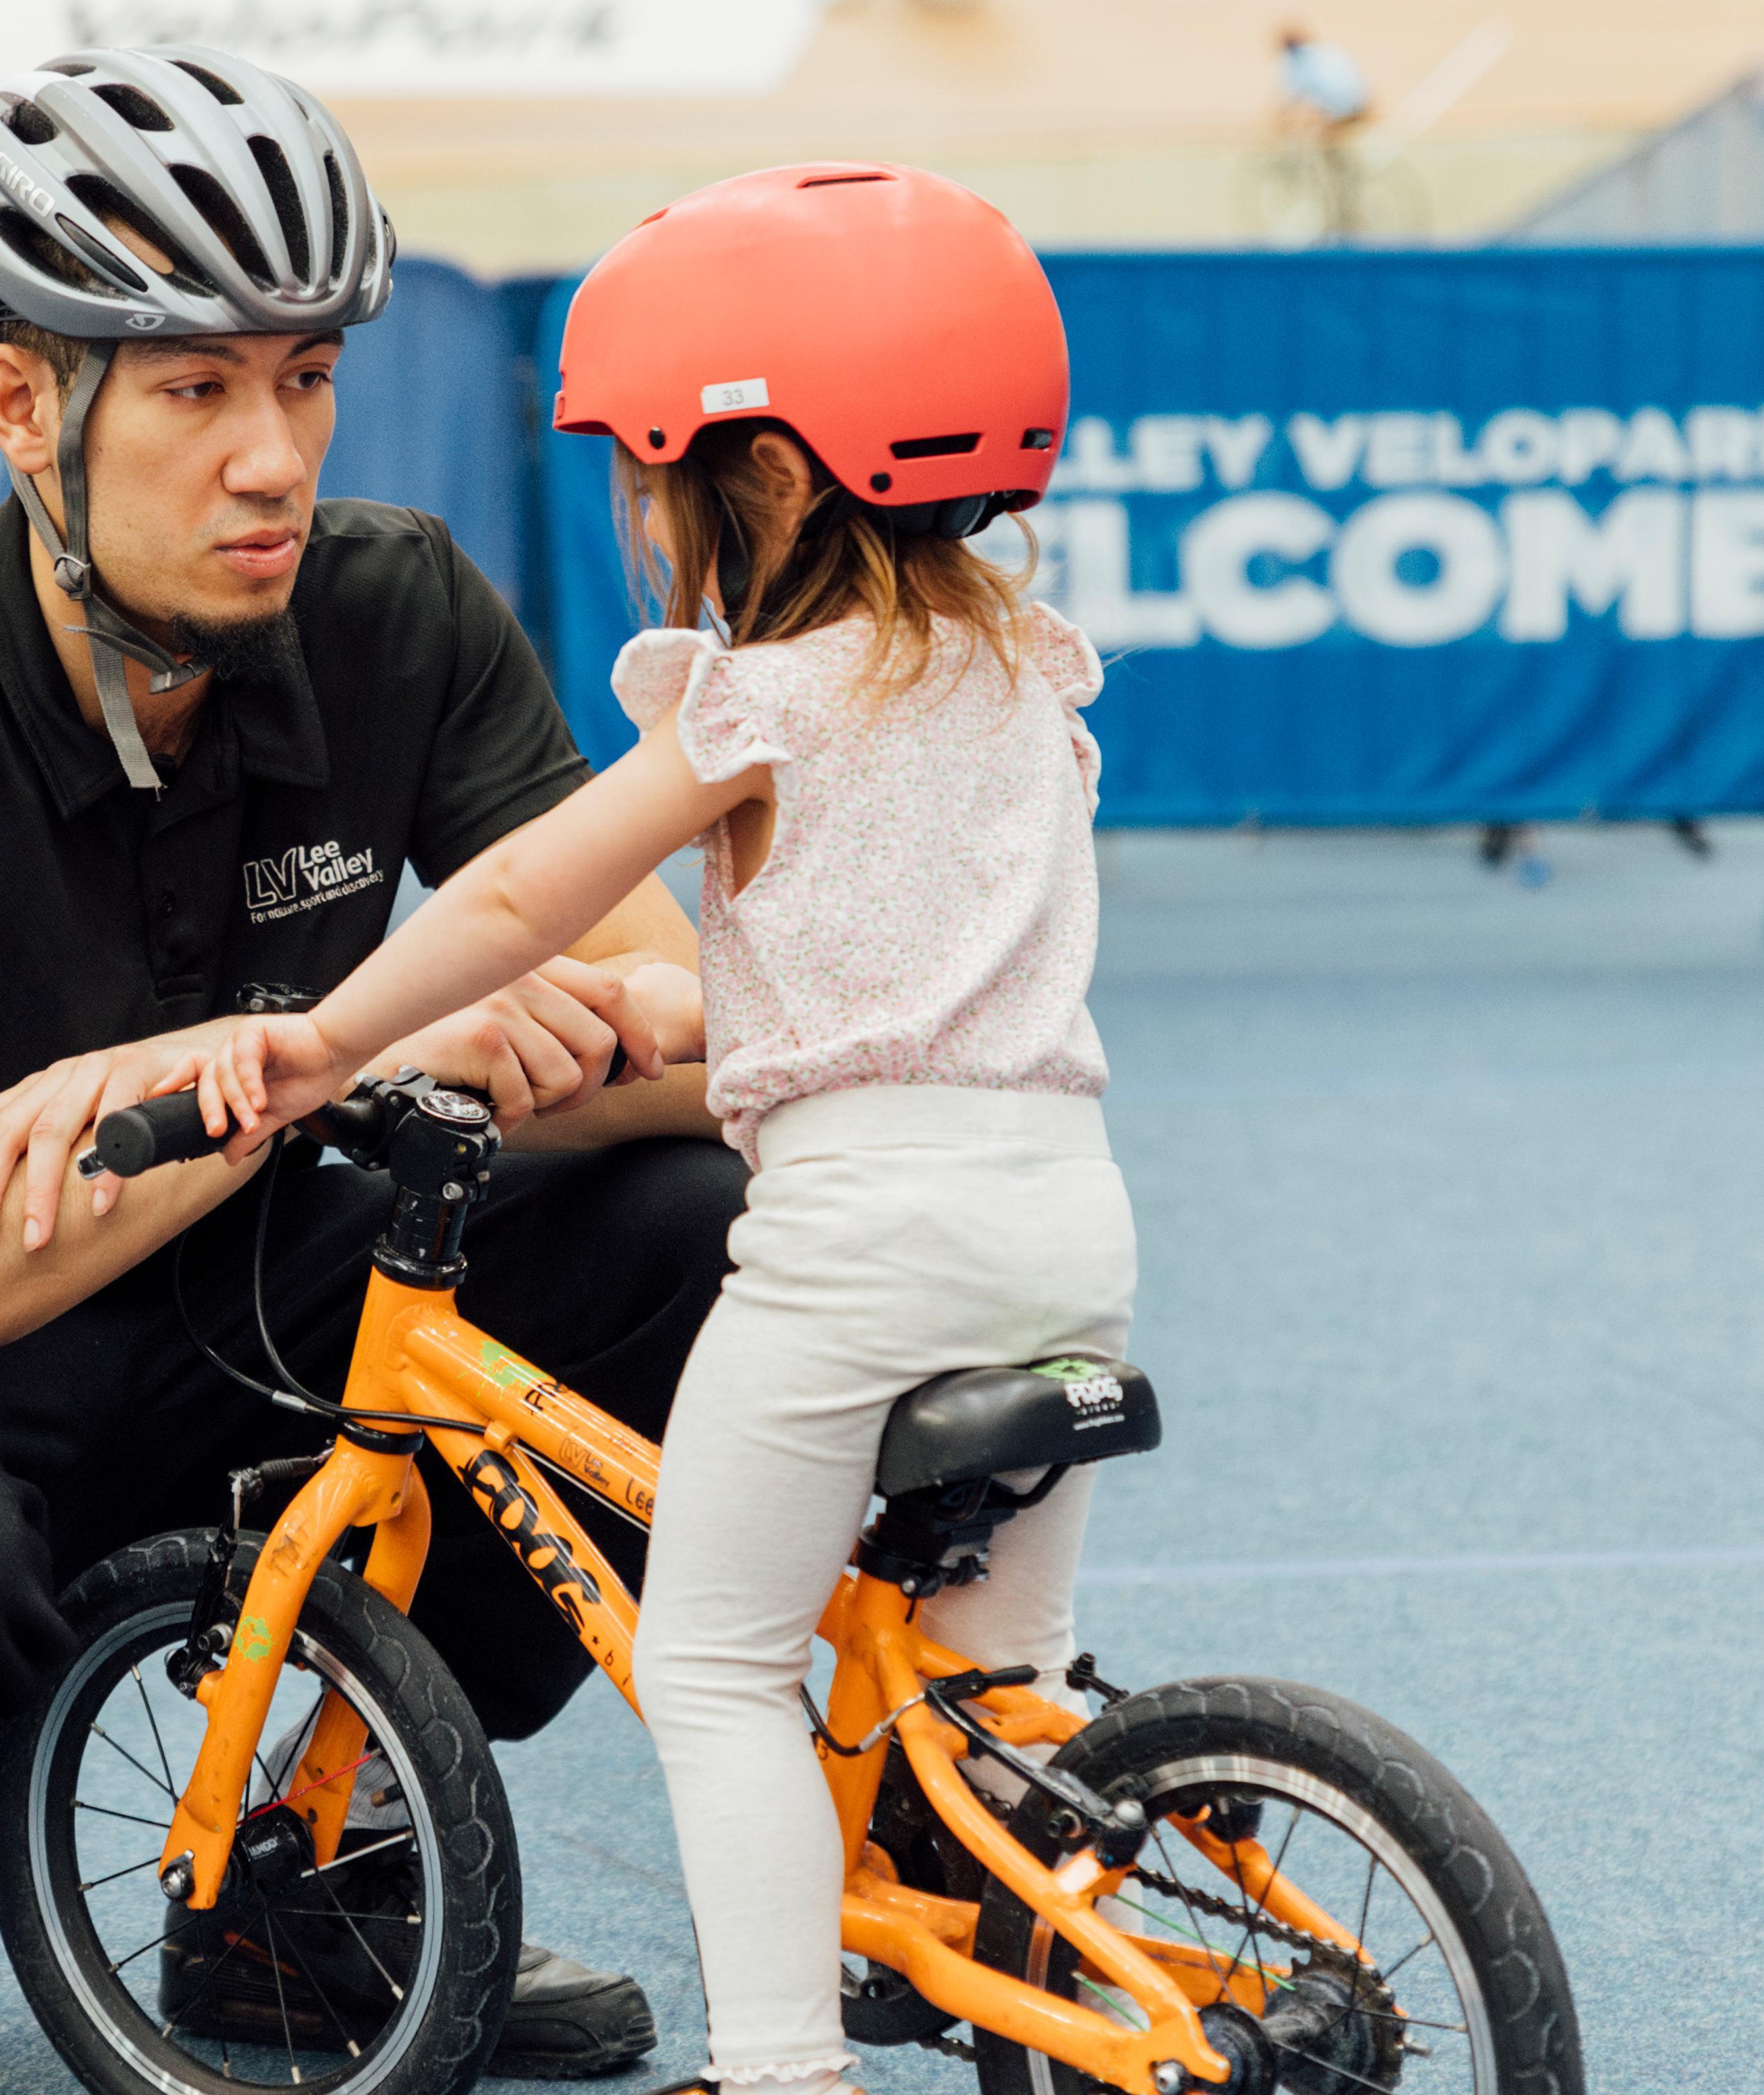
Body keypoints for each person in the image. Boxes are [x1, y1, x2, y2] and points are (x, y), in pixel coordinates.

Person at [0, 44, 738, 2095]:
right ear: (27, 408)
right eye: (196, 391)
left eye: (302, 379)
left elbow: (690, 1041)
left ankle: (314, 1871)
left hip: (220, 1273)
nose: (271, 457)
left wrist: (396, 1060)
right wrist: (346, 1055)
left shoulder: (398, 614)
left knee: (700, 1236)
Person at [185, 163, 1130, 2095]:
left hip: (862, 1243)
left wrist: (327, 1032)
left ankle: (779, 2066)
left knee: (712, 1669)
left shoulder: (756, 701)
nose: (638, 515)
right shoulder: (1028, 676)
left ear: (764, 483)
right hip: (1068, 1229)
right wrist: (717, 1004)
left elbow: (525, 889)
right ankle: (1043, 1961)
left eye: (646, 474)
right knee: (991, 1685)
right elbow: (923, 955)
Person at [1275, 19, 1371, 137]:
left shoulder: (1298, 62)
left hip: (1341, 111)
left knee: (1313, 133)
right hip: (1363, 102)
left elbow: (1292, 100)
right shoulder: (1328, 51)